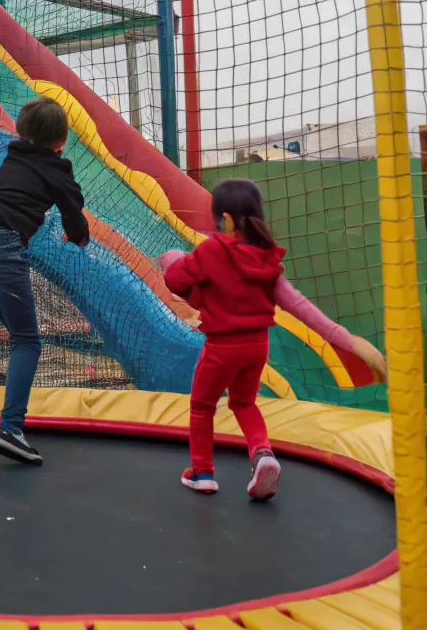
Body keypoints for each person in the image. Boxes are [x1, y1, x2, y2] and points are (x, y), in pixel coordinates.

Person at [159, 178, 386, 500]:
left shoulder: (211, 251)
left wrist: (172, 258)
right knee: (244, 402)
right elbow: (302, 307)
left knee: (201, 405)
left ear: (225, 219)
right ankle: (263, 454)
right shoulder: (267, 260)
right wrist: (349, 341)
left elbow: (174, 278)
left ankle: (202, 472)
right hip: (257, 347)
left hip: (222, 348)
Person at [0, 97, 90, 465]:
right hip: (0, 244)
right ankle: (11, 428)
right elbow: (73, 210)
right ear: (62, 139)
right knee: (27, 342)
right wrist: (79, 237)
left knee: (13, 326)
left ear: (21, 132)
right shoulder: (57, 168)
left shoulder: (14, 156)